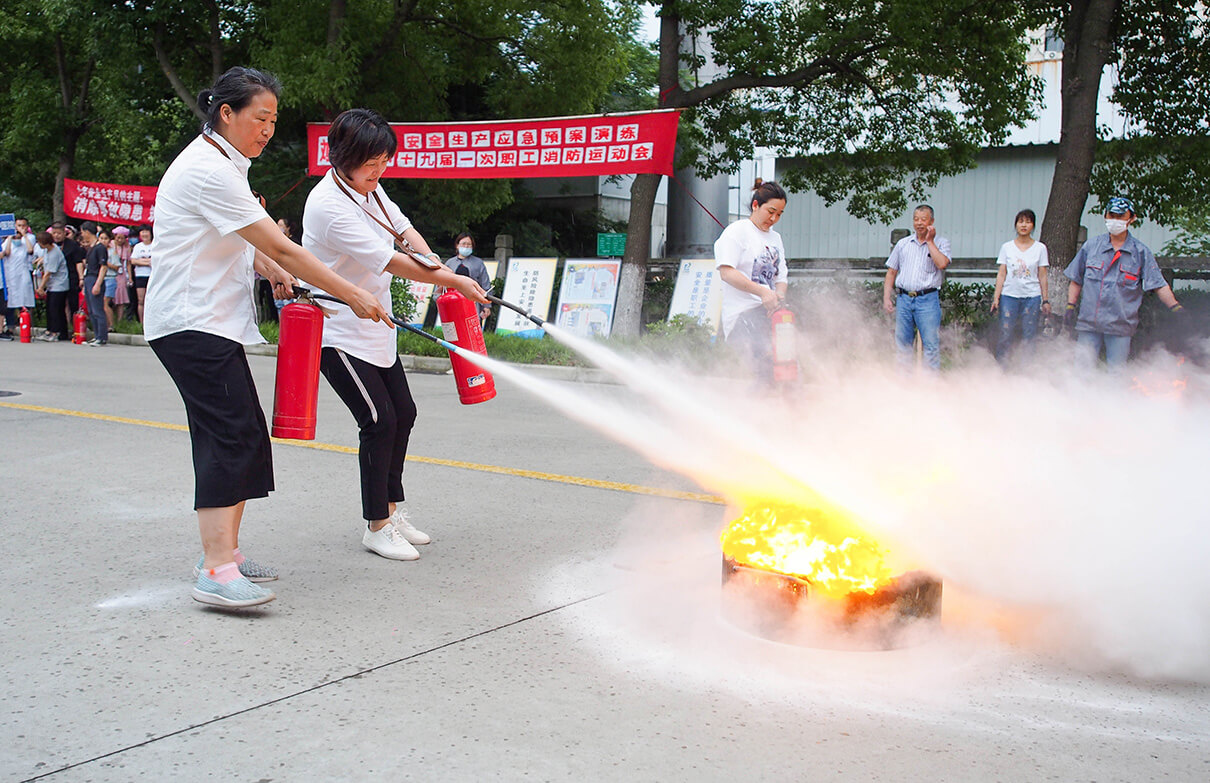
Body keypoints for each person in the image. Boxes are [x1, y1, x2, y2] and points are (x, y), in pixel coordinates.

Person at [144, 67, 389, 608]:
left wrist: (267, 266)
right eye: (260, 118)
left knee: (245, 433)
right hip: (191, 322)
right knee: (229, 435)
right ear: (226, 113)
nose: (268, 130)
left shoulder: (225, 164)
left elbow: (247, 243)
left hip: (211, 319)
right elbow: (284, 246)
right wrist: (349, 291)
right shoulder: (212, 171)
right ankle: (215, 568)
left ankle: (227, 552)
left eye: (274, 121)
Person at [303, 108, 489, 560]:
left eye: (385, 161)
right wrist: (452, 280)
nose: (380, 170)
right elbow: (389, 259)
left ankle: (393, 509)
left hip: (376, 324)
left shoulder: (369, 186)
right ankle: (376, 524)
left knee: (403, 413)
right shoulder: (328, 204)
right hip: (338, 328)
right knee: (379, 420)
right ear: (343, 157)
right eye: (372, 163)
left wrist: (443, 267)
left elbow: (404, 233)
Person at [1063, 196, 1182, 369]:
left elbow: (1158, 285)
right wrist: (1070, 306)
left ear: (1131, 218)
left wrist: (1176, 307)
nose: (1115, 220)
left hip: (1121, 326)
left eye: (1120, 216)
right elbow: (1076, 280)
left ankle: (1115, 397)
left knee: (1116, 374)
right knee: (1082, 371)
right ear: (1105, 216)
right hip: (1089, 323)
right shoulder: (1091, 247)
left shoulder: (1140, 252)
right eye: (1112, 215)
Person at [714, 180, 789, 384]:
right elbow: (727, 272)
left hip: (770, 316)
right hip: (743, 316)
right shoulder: (736, 232)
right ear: (756, 205)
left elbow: (780, 278)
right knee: (757, 373)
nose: (773, 218)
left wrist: (778, 295)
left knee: (785, 367)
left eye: (779, 214)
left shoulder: (776, 239)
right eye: (770, 211)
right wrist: (763, 293)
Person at [883, 204, 952, 371]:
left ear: (931, 221)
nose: (919, 223)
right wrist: (886, 297)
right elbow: (891, 272)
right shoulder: (903, 244)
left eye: (923, 219)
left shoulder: (942, 243)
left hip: (927, 299)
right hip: (904, 299)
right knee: (903, 345)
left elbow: (942, 264)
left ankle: (929, 386)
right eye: (916, 219)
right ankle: (904, 384)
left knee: (931, 344)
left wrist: (929, 241)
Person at [990, 209, 1050, 365]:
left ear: (1033, 226)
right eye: (1021, 221)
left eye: (1028, 222)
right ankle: (1001, 367)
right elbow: (1001, 274)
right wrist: (996, 298)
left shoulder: (1040, 248)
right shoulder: (1007, 247)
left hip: (1032, 296)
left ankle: (1026, 369)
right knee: (1005, 332)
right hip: (1009, 295)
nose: (1024, 225)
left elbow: (1042, 275)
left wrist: (1045, 300)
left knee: (1029, 334)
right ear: (1016, 225)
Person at [445, 233, 492, 326]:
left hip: (473, 302)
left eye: (469, 244)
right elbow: (441, 284)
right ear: (457, 245)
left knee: (472, 328)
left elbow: (485, 284)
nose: (466, 246)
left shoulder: (478, 263)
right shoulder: (449, 263)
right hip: (452, 302)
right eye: (463, 244)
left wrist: (487, 305)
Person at [1, 217, 37, 340]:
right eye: (18, 225)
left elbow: (30, 249)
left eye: (23, 225)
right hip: (10, 275)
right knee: (10, 301)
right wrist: (10, 237)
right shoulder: (8, 239)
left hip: (23, 273)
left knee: (26, 300)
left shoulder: (30, 238)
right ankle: (10, 327)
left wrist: (23, 235)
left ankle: (27, 326)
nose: (21, 227)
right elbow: (7, 252)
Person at [51, 222, 84, 337]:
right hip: (57, 280)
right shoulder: (50, 245)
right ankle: (62, 330)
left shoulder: (73, 245)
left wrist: (81, 278)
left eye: (59, 233)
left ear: (65, 233)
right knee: (58, 306)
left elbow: (78, 262)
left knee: (73, 304)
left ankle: (77, 330)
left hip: (72, 277)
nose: (56, 236)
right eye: (54, 233)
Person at [35, 231, 70, 341]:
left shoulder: (55, 253)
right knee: (50, 308)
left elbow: (49, 273)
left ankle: (56, 332)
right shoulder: (48, 250)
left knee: (55, 309)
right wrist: (40, 261)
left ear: (45, 243)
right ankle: (50, 330)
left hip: (59, 285)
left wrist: (41, 287)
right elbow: (45, 260)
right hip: (52, 286)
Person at [80, 223, 110, 346]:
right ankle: (96, 335)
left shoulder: (100, 248)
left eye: (83, 232)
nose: (82, 235)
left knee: (98, 309)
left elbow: (103, 267)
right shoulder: (91, 247)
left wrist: (98, 284)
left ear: (87, 232)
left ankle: (102, 337)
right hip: (88, 278)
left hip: (95, 278)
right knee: (91, 310)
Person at [105, 226, 132, 327]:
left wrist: (130, 277)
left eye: (122, 238)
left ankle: (120, 322)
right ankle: (109, 321)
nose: (119, 240)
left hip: (122, 274)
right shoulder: (110, 245)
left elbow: (128, 263)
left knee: (121, 299)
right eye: (118, 237)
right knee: (109, 298)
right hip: (109, 272)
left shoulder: (127, 247)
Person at [129, 225, 153, 322]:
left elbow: (156, 261)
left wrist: (142, 261)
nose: (144, 234)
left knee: (151, 300)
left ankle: (151, 321)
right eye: (142, 232)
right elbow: (133, 261)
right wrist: (147, 262)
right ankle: (142, 322)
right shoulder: (138, 247)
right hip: (140, 276)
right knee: (141, 300)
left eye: (146, 231)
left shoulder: (155, 245)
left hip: (152, 276)